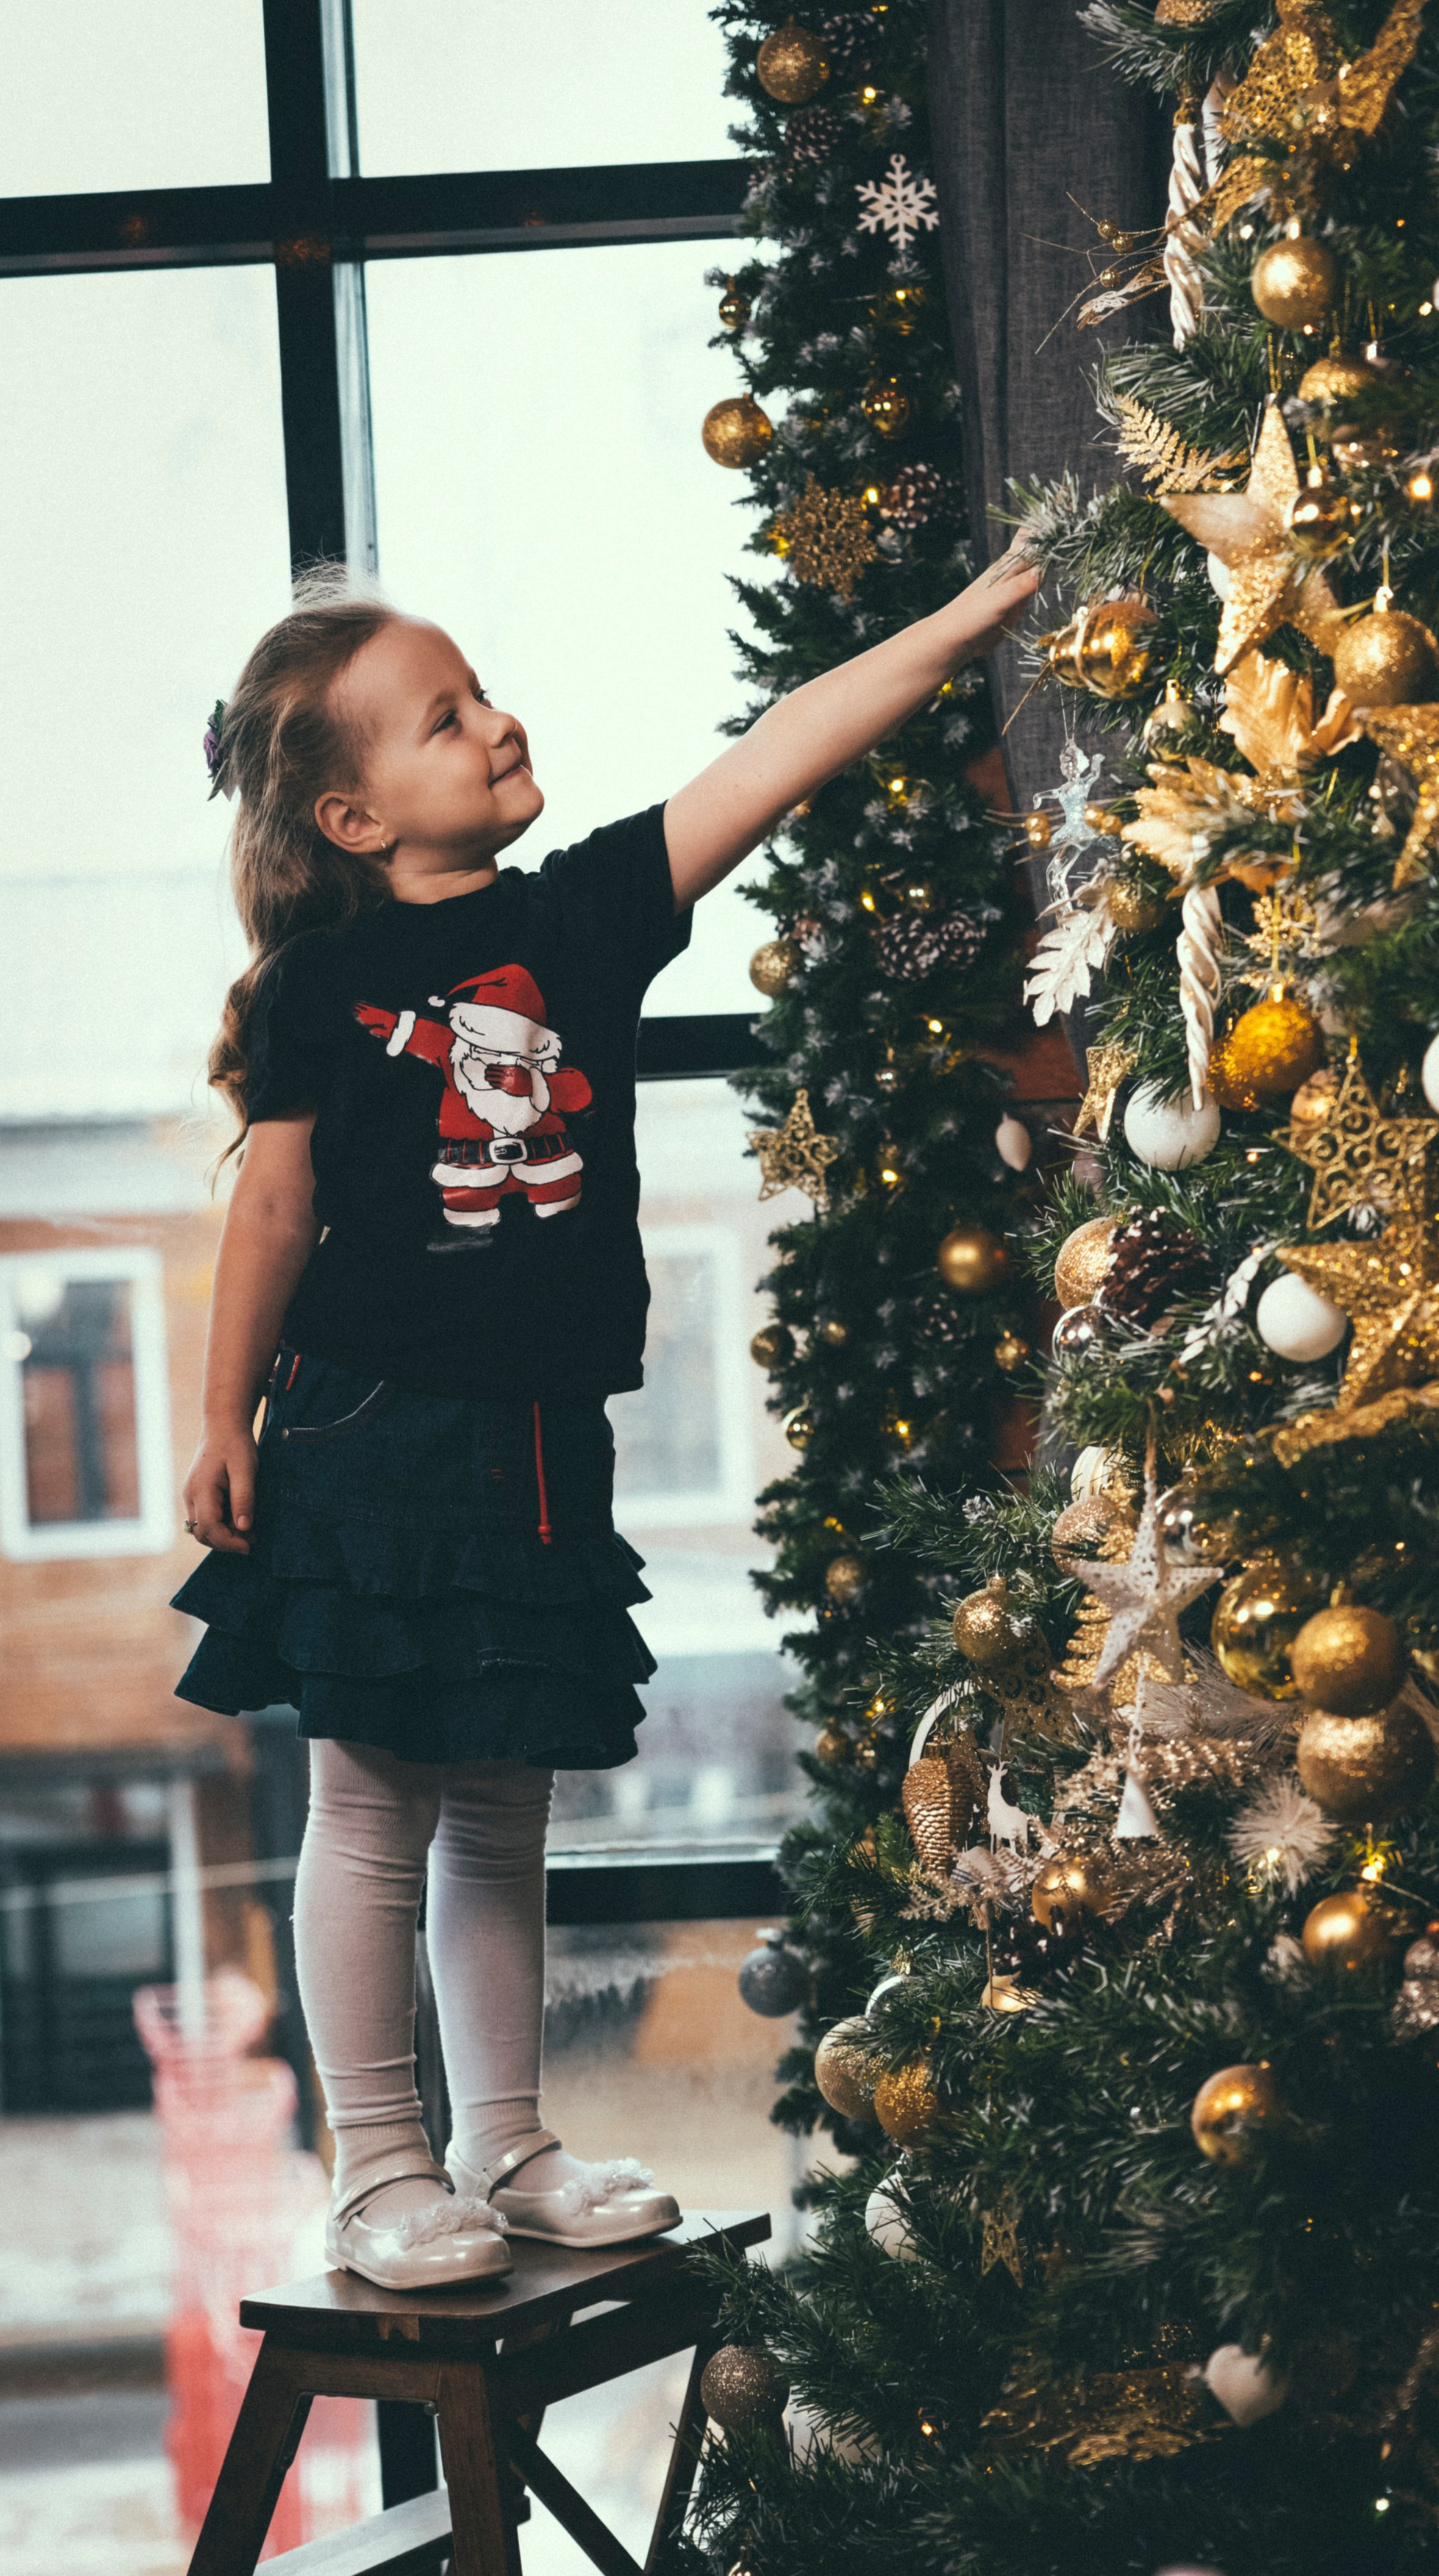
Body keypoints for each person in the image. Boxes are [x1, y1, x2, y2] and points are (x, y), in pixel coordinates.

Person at [174, 551, 1038, 2291]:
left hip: (543, 1433)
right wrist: (224, 1420)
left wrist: (962, 622)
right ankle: (380, 2167)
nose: (497, 720)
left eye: (481, 689)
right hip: (365, 1424)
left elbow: (774, 750)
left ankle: (503, 2143)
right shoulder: (311, 993)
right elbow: (271, 1217)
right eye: (446, 716)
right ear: (352, 813)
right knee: (368, 1802)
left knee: (502, 1805)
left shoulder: (571, 918)